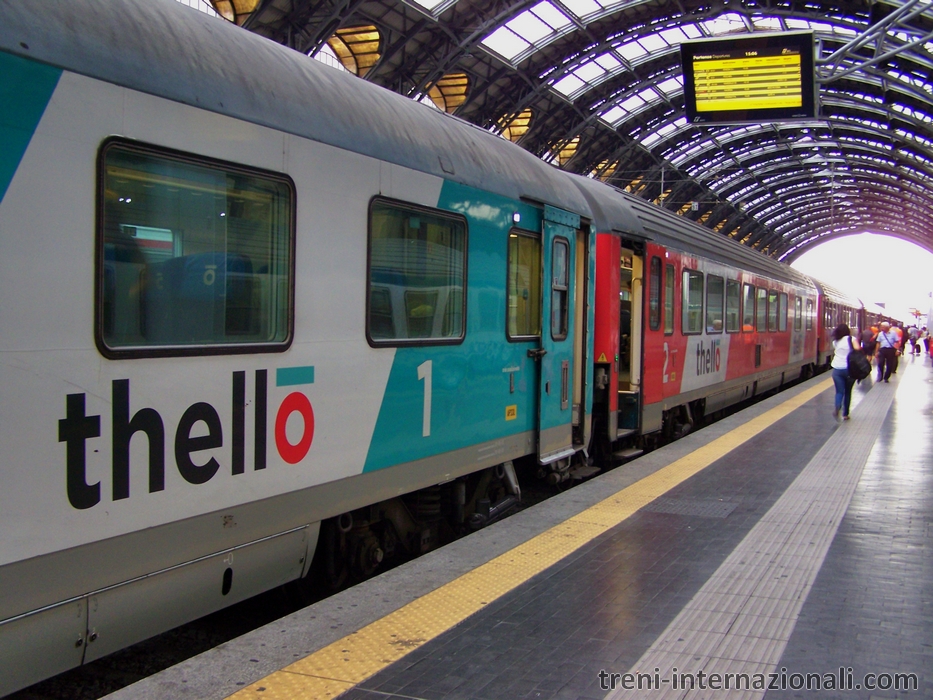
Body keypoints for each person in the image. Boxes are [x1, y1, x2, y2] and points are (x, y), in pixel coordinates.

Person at [830, 323, 858, 421]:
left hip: (837, 369)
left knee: (839, 392)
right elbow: (858, 349)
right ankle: (845, 414)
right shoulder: (852, 339)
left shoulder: (835, 342)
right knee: (848, 392)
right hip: (850, 369)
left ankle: (837, 406)